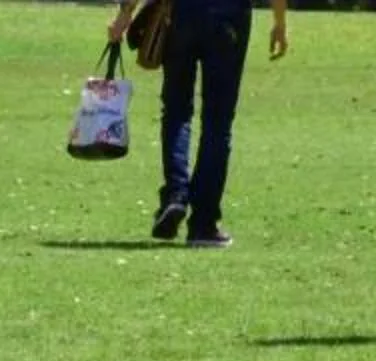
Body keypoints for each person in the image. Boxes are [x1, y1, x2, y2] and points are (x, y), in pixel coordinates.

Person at [109, 0, 288, 249]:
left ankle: (175, 195)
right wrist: (279, 23)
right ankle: (203, 224)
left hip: (180, 13)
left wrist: (125, 13)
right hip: (229, 15)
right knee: (218, 122)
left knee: (176, 111)